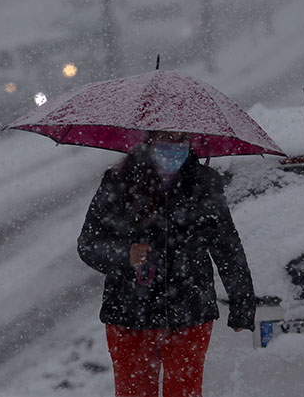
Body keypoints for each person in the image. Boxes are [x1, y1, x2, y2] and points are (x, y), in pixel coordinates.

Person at [77, 130, 256, 397]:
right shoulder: (119, 181)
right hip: (130, 313)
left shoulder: (204, 183)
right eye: (167, 138)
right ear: (149, 140)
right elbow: (88, 243)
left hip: (190, 311)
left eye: (181, 139)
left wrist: (242, 303)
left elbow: (227, 247)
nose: (175, 146)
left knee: (184, 392)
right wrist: (125, 254)